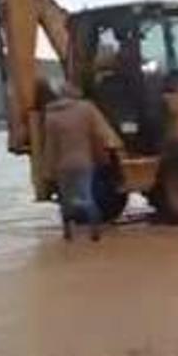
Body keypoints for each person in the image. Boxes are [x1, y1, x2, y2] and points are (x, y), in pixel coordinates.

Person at [43, 82, 111, 242]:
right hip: (84, 162)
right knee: (87, 195)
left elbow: (51, 146)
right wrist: (102, 156)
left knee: (65, 199)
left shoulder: (51, 116)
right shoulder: (87, 109)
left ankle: (68, 232)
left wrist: (48, 169)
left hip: (62, 165)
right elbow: (98, 135)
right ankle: (95, 228)